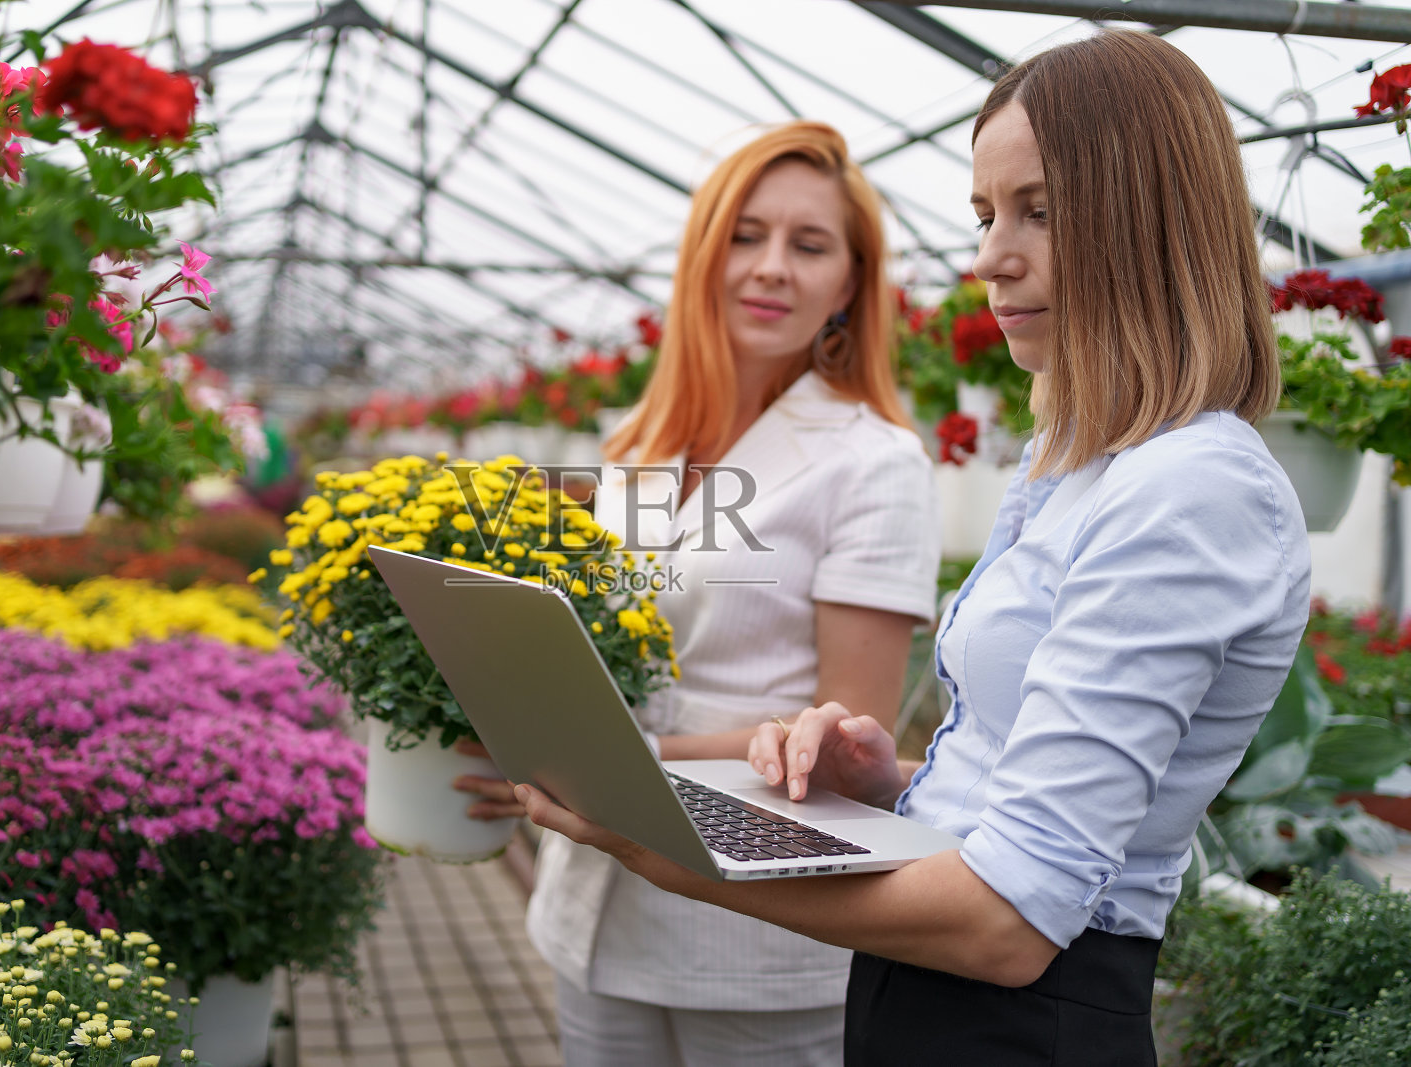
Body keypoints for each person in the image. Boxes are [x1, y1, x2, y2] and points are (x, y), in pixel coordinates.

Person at [514, 30, 1312, 1066]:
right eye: (986, 215)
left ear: (1151, 217)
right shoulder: (1078, 468)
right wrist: (889, 781)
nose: (990, 258)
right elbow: (1013, 787)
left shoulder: (1191, 488)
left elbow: (1011, 918)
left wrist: (660, 838)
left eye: (1040, 210)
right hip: (921, 992)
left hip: (1016, 1012)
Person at [456, 120, 942, 1066]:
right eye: (745, 235)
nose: (772, 267)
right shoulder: (645, 444)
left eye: (810, 245)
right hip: (593, 910)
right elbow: (607, 640)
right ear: (704, 256)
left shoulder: (875, 463)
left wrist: (589, 760)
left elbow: (846, 736)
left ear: (850, 284)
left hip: (755, 933)